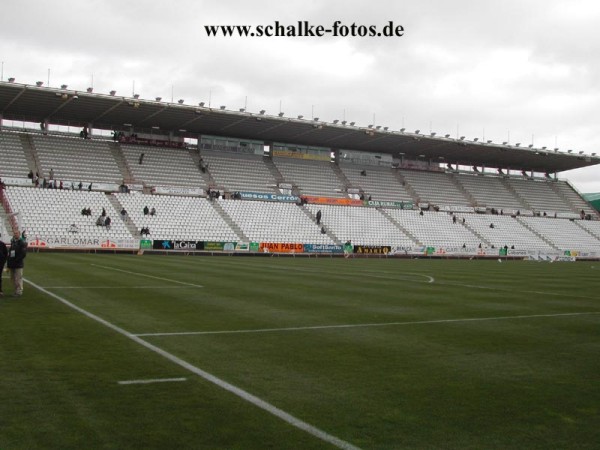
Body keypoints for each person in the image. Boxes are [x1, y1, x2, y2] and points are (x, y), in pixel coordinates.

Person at [7, 230, 27, 297]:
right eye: (14, 233)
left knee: (18, 278)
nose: (15, 234)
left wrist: (17, 260)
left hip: (18, 263)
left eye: (16, 233)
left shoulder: (22, 242)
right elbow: (11, 251)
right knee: (12, 278)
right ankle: (16, 290)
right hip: (12, 263)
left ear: (19, 234)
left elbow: (23, 254)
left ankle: (19, 291)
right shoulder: (13, 241)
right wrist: (9, 260)